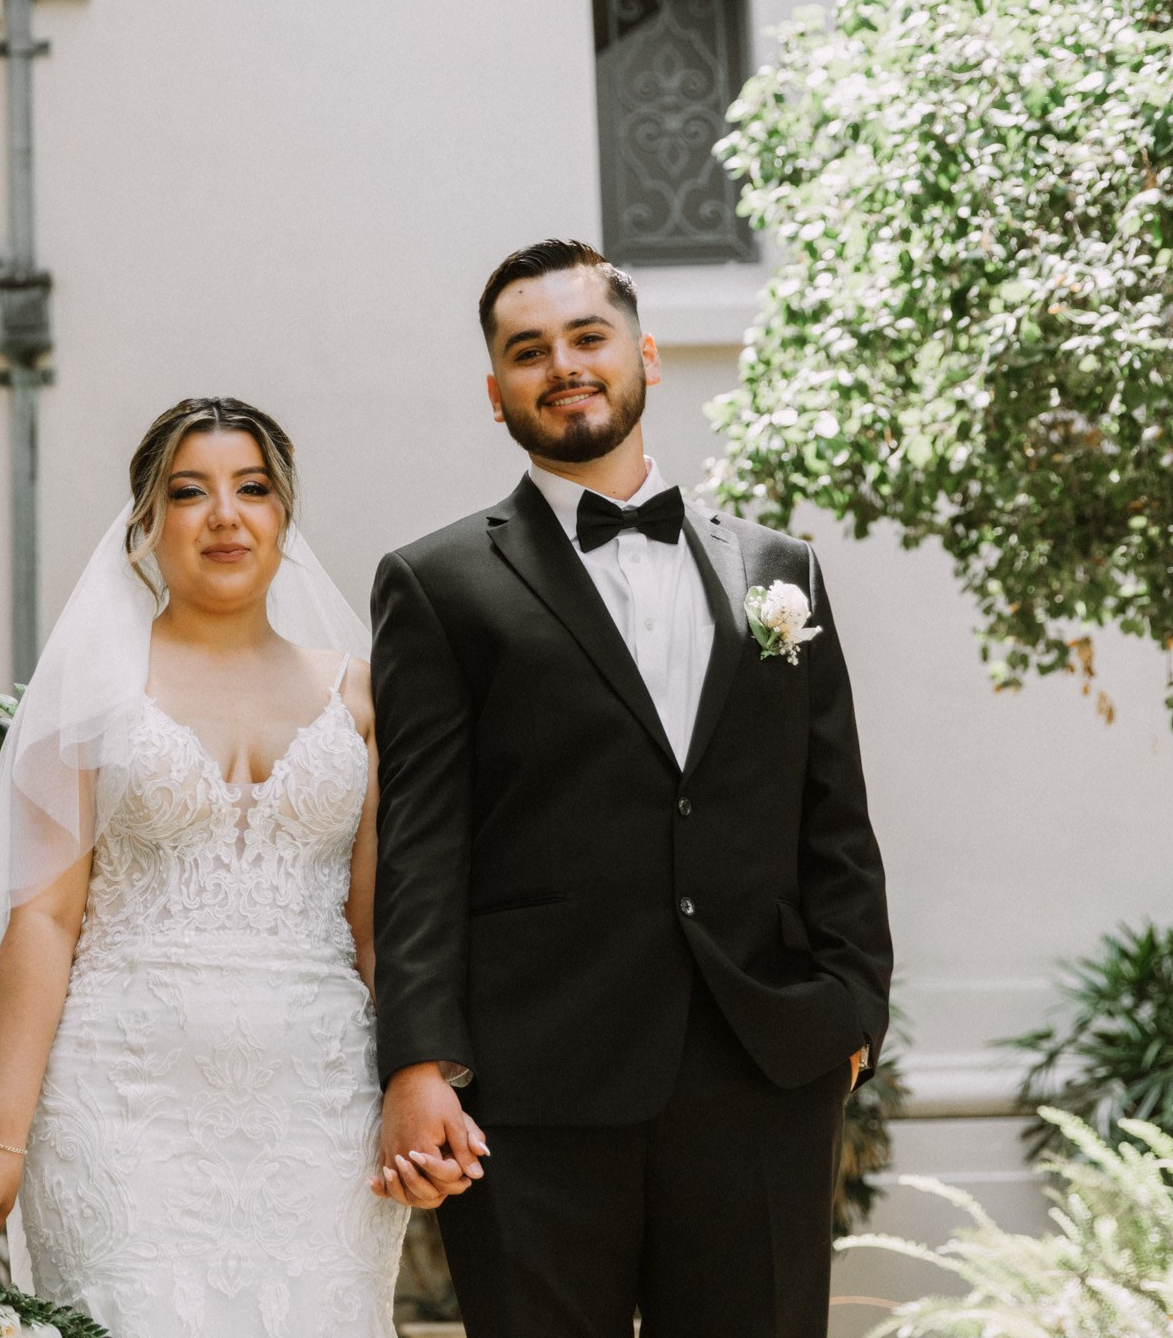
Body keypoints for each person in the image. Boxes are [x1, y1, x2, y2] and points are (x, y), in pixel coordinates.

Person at [369, 239, 895, 1338]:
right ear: (496, 390)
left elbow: (832, 811)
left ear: (644, 354)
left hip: (760, 1067)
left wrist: (852, 1003)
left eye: (587, 336)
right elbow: (424, 839)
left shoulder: (779, 571)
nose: (563, 363)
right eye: (529, 350)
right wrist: (420, 1061)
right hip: (536, 1082)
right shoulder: (438, 583)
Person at [0, 397, 461, 1336]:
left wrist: (427, 1082)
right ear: (144, 521)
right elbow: (44, 921)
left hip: (319, 1109)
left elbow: (378, 930)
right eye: (189, 492)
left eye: (252, 489)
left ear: (284, 515)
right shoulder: (87, 700)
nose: (225, 515)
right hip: (117, 1101)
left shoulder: (362, 697)